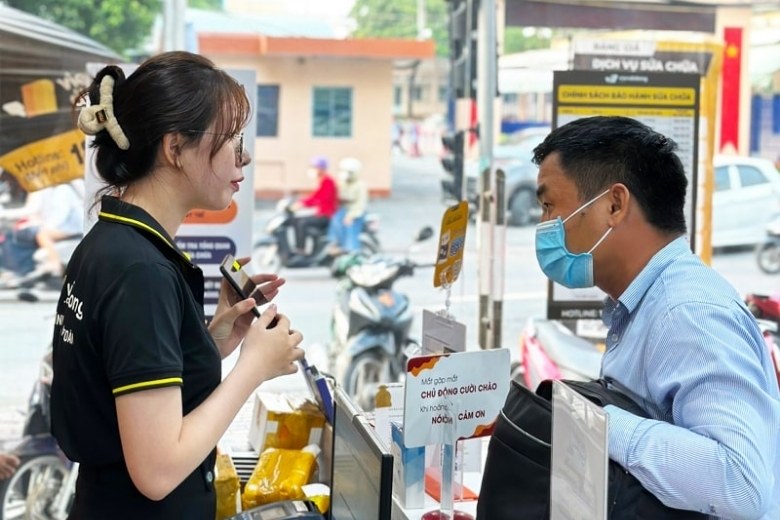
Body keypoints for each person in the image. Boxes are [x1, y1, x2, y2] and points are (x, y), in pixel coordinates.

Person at [50, 51, 305, 519]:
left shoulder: (111, 242)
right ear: (175, 148)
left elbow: (122, 379)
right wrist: (253, 368)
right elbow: (158, 470)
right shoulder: (140, 271)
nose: (244, 156)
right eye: (231, 139)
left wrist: (208, 344)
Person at [532, 116, 780, 518]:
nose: (544, 226)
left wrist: (597, 422)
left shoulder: (688, 312)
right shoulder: (642, 305)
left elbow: (740, 484)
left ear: (614, 205)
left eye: (549, 206)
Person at [0, 180, 84, 281]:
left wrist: (44, 226)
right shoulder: (47, 190)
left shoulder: (63, 189)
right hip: (57, 224)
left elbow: (61, 215)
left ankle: (55, 265)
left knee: (42, 235)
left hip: (71, 226)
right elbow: (38, 210)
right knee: (15, 235)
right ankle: (18, 270)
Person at [289, 156, 338, 254]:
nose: (312, 170)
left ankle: (301, 250)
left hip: (326, 216)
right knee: (296, 220)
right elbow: (315, 196)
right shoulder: (322, 181)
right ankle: (299, 248)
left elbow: (319, 198)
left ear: (321, 169)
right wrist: (300, 202)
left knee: (302, 222)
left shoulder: (328, 181)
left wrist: (302, 204)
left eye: (314, 167)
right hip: (320, 214)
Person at [327, 157, 368, 254]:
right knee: (335, 220)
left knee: (350, 226)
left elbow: (360, 204)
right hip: (343, 210)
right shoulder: (341, 184)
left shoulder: (360, 185)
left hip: (356, 212)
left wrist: (351, 216)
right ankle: (335, 244)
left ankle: (352, 250)